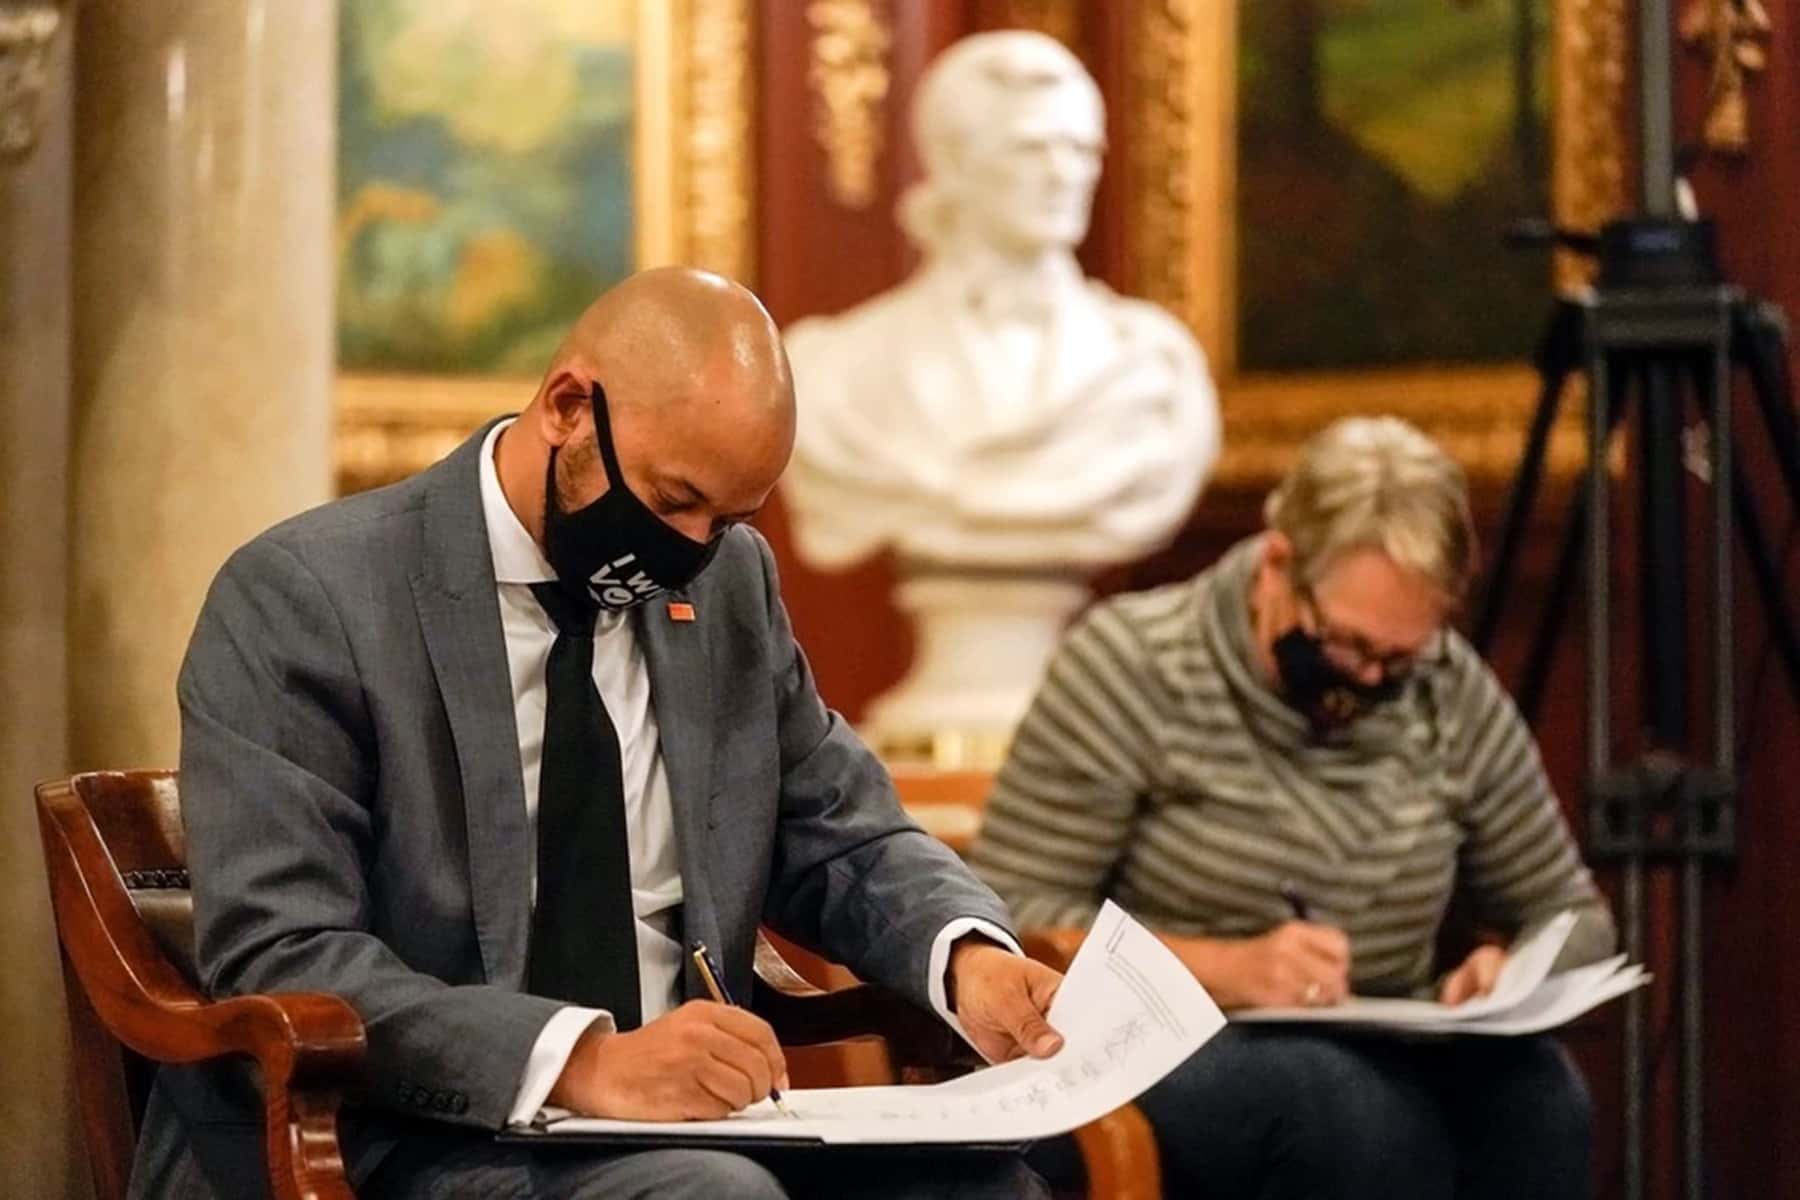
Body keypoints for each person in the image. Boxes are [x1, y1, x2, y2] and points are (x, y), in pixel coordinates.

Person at [140, 268, 1063, 1200]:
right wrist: (582, 1063)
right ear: (568, 408)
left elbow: (842, 833)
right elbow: (283, 953)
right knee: (709, 1196)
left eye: (728, 520)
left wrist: (968, 957)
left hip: (690, 1132)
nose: (691, 551)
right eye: (672, 502)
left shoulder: (728, 585)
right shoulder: (310, 596)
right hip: (404, 1134)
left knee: (990, 1190)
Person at [970, 416, 1617, 1200]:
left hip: (1387, 1041)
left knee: (1541, 1099)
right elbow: (1014, 917)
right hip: (1156, 1048)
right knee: (1346, 1113)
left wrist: (1513, 972)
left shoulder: (1446, 689)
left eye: (1398, 658)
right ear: (1278, 564)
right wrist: (1228, 969)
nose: (1369, 679)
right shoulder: (1132, 665)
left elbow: (1574, 915)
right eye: (1348, 644)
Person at [781, 31, 1220, 749]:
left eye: (1082, 150)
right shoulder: (835, 373)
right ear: (955, 163)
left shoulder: (1155, 373)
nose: (1064, 174)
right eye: (1031, 149)